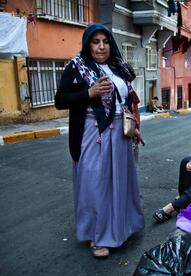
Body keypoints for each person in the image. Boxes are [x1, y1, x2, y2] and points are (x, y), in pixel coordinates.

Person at [55, 24, 145, 258]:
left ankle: (120, 229)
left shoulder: (118, 66)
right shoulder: (76, 66)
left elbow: (123, 101)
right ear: (88, 44)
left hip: (120, 132)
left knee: (119, 183)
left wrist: (133, 127)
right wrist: (89, 93)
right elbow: (60, 100)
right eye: (95, 42)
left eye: (105, 41)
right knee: (95, 184)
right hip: (92, 131)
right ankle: (98, 235)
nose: (101, 46)